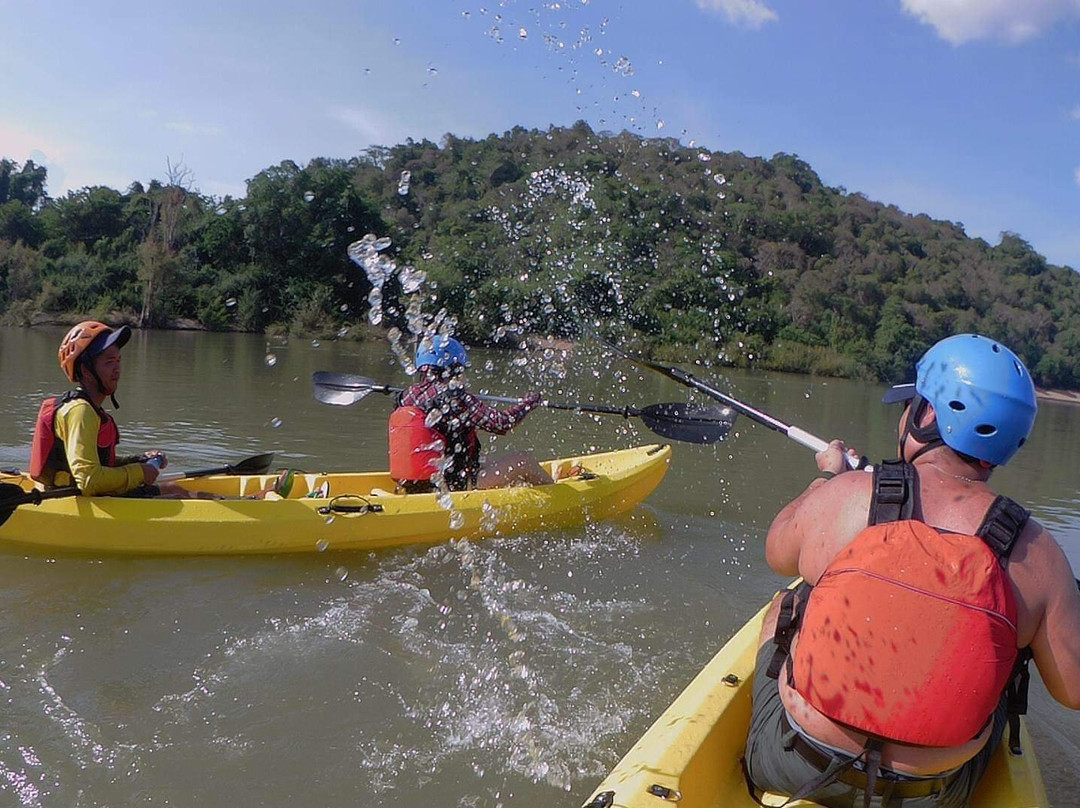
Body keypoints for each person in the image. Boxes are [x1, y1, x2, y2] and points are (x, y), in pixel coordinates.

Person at [744, 334, 1080, 808]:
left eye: (911, 405)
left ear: (925, 416)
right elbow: (1072, 689)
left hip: (793, 762)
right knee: (1007, 659)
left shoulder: (848, 497)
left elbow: (778, 551)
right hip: (932, 796)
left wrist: (829, 478)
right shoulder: (1039, 553)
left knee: (785, 604)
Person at [30, 321, 188, 497]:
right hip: (73, 501)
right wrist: (139, 472)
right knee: (179, 496)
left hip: (82, 496)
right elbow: (89, 480)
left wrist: (139, 460)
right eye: (109, 362)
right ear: (86, 370)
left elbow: (98, 463)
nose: (118, 369)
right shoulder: (80, 411)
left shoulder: (89, 408)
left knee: (175, 489)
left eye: (118, 360)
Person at [389, 335, 555, 493]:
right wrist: (527, 405)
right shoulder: (455, 397)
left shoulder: (405, 396)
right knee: (523, 460)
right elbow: (503, 423)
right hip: (454, 487)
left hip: (416, 484)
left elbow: (436, 432)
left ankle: (528, 484)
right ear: (454, 368)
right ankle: (557, 493)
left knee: (485, 459)